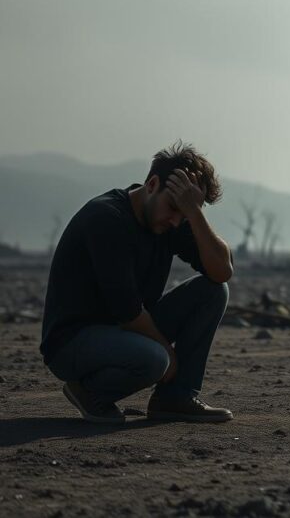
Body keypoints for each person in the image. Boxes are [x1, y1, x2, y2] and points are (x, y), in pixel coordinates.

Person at [39, 141, 235, 424]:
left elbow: (222, 272)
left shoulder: (172, 219)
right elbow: (127, 310)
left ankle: (175, 398)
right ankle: (90, 392)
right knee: (156, 359)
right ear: (152, 184)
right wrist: (170, 354)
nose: (175, 219)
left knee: (214, 292)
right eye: (173, 207)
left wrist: (194, 213)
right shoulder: (107, 218)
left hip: (122, 330)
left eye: (184, 212)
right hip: (73, 341)